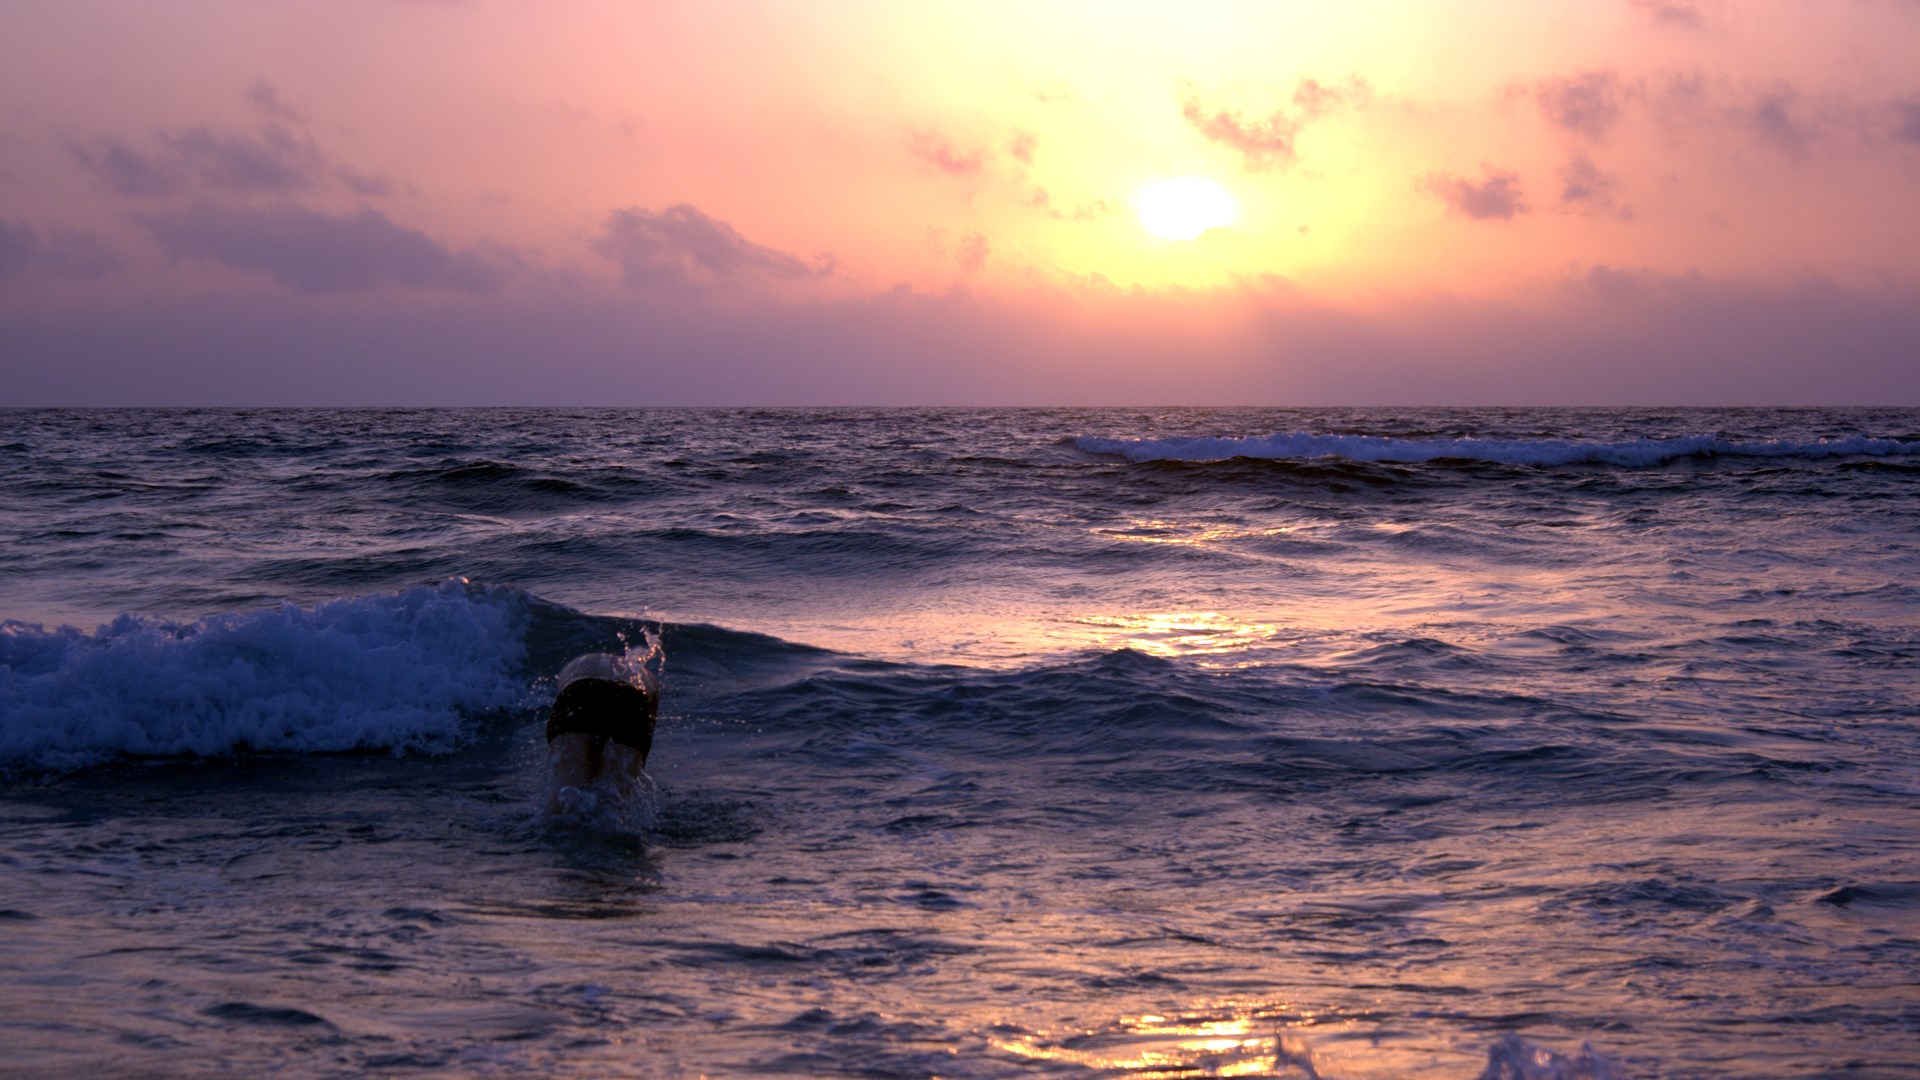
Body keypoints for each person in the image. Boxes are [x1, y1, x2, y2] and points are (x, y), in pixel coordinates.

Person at [544, 652, 657, 811]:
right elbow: (643, 742)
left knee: (564, 801)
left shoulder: (577, 665)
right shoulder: (645, 676)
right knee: (619, 806)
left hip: (581, 691)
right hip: (632, 696)